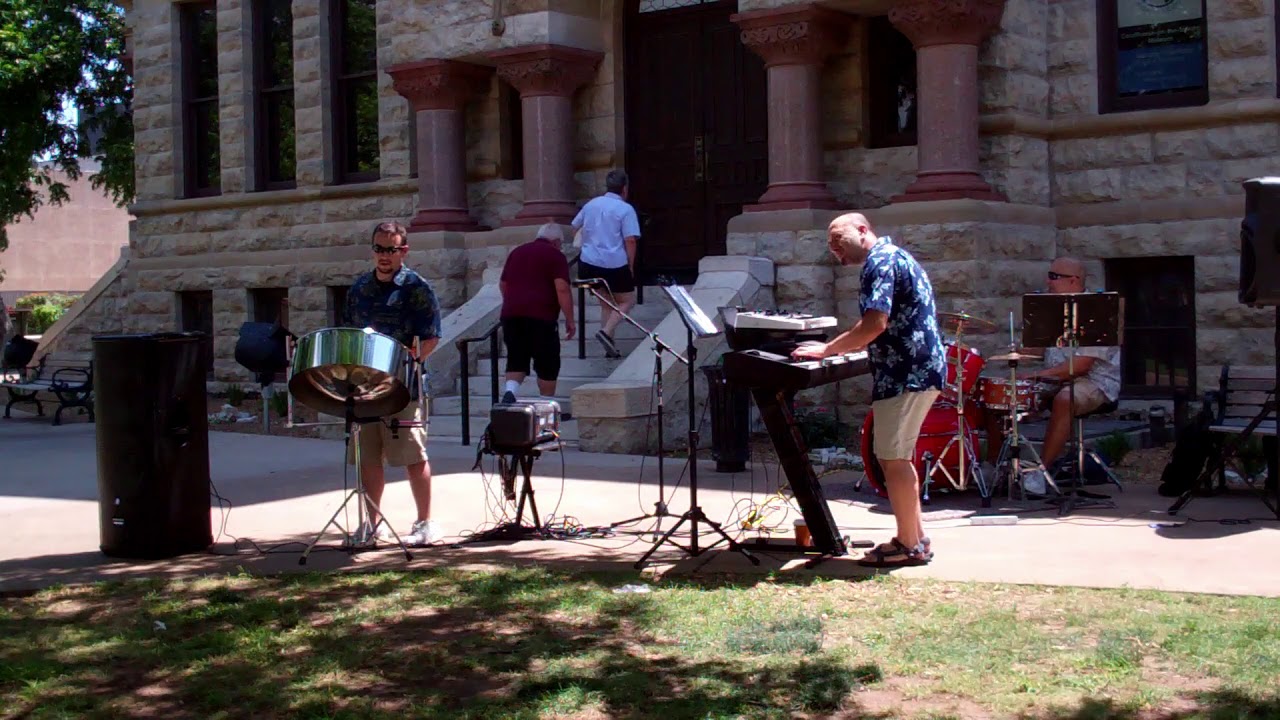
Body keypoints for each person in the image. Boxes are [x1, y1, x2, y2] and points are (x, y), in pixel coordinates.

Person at [792, 213, 946, 567]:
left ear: (863, 230)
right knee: (898, 458)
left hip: (906, 373)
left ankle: (907, 545)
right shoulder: (896, 256)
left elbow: (874, 324)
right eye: (829, 246)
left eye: (838, 240)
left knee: (891, 458)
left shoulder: (880, 262)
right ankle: (916, 539)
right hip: (920, 370)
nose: (834, 250)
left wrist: (827, 349)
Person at [981, 257, 1121, 494]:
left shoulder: (1097, 311)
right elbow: (1044, 349)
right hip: (1055, 378)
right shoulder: (1053, 309)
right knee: (996, 397)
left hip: (1094, 382)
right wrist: (1019, 351)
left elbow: (1081, 365)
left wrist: (1036, 375)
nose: (1048, 281)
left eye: (1054, 276)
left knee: (1065, 400)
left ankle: (1041, 473)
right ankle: (996, 466)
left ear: (1074, 281)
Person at [343, 221, 443, 547]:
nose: (384, 256)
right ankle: (372, 525)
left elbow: (431, 337)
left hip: (405, 387)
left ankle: (425, 522)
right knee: (368, 457)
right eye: (378, 248)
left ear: (403, 250)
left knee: (413, 455)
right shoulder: (358, 289)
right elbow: (350, 336)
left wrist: (410, 362)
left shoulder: (416, 288)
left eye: (391, 249)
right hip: (366, 388)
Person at [499, 223, 576, 403]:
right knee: (547, 361)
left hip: (512, 314)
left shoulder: (517, 252)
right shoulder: (555, 255)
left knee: (516, 357)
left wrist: (513, 302)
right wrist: (570, 319)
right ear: (557, 242)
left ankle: (510, 393)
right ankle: (545, 404)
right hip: (541, 316)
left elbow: (503, 284)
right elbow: (562, 288)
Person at [572, 169, 640, 359]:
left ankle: (609, 345)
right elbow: (630, 240)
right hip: (613, 264)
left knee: (607, 304)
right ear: (624, 188)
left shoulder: (591, 204)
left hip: (588, 263)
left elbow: (574, 226)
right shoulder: (625, 209)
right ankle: (606, 330)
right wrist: (630, 265)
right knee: (627, 300)